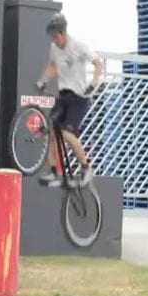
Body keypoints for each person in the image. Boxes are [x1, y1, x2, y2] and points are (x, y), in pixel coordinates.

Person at [36, 12, 103, 187]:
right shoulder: (54, 48)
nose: (55, 41)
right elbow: (52, 66)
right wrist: (43, 79)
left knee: (67, 133)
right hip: (64, 96)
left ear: (63, 33)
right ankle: (54, 173)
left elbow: (97, 62)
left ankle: (86, 168)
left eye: (56, 37)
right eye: (52, 37)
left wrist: (94, 81)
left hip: (80, 97)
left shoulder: (78, 46)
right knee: (51, 130)